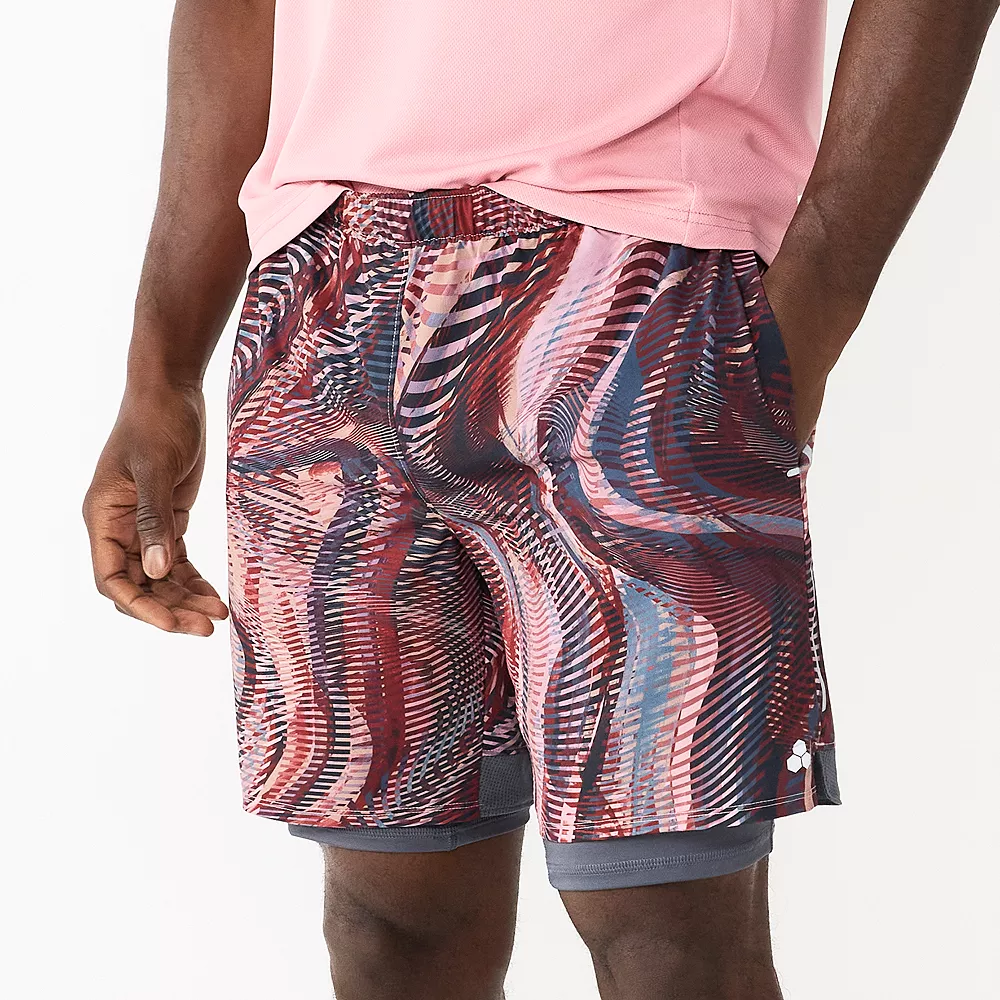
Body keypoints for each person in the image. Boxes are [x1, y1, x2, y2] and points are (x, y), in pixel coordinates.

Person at [82, 2, 998, 997]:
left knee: (669, 932)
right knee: (391, 927)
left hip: (645, 270)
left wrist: (810, 295)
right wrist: (161, 368)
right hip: (326, 298)